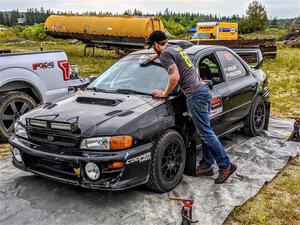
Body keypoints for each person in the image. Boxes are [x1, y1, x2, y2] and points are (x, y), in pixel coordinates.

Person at [143, 30, 237, 184]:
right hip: (204, 91)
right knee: (206, 131)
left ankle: (225, 165)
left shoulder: (166, 54)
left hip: (195, 96)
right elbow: (172, 57)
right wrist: (155, 56)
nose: (153, 50)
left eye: (152, 47)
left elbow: (175, 76)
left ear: (155, 45)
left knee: (206, 133)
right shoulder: (174, 48)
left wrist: (165, 93)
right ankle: (207, 166)